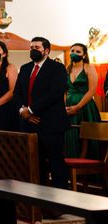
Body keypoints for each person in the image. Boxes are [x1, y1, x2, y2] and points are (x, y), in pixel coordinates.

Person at [14, 37, 69, 189]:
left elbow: (55, 93)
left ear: (46, 50)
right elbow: (17, 93)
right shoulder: (25, 68)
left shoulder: (57, 68)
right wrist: (23, 111)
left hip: (51, 124)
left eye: (37, 47)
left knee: (55, 164)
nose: (33, 50)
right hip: (29, 124)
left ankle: (61, 203)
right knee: (35, 165)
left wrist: (31, 110)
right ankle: (40, 201)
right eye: (31, 47)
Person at [64, 43, 100, 158]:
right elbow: (65, 91)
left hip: (85, 107)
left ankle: (89, 173)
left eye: (78, 52)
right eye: (72, 51)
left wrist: (78, 106)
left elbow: (92, 91)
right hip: (69, 107)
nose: (74, 53)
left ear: (84, 55)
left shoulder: (89, 67)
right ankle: (72, 172)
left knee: (87, 138)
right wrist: (64, 106)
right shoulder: (67, 69)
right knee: (70, 136)